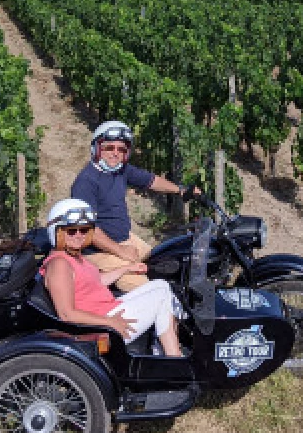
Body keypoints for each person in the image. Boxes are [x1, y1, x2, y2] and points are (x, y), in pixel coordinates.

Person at [41, 198, 183, 357]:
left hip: (108, 310)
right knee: (161, 296)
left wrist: (127, 268)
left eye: (84, 230)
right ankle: (173, 356)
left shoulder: (73, 257)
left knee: (161, 285)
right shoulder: (60, 264)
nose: (79, 235)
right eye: (72, 231)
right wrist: (109, 322)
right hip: (101, 325)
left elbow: (98, 281)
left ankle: (165, 349)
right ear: (57, 232)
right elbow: (66, 314)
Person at [70, 120, 198, 291]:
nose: (115, 153)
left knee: (165, 262)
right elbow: (87, 229)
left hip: (125, 239)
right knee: (147, 290)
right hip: (99, 251)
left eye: (121, 149)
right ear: (97, 148)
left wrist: (180, 190)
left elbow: (151, 181)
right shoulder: (86, 182)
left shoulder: (121, 170)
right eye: (109, 148)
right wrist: (121, 251)